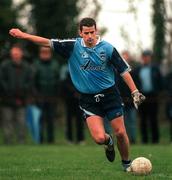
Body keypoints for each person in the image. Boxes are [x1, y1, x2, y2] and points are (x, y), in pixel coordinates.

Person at [9, 17, 145, 170]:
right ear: (80, 33)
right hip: (88, 99)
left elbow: (123, 71)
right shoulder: (72, 46)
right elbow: (46, 42)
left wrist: (135, 91)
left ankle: (126, 164)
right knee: (99, 138)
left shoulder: (107, 48)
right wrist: (23, 35)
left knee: (120, 132)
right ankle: (108, 142)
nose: (89, 36)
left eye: (92, 32)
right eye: (86, 33)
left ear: (96, 30)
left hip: (110, 95)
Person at [0, 44, 32, 144]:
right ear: (11, 54)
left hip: (22, 99)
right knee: (7, 122)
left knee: (21, 122)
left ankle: (21, 142)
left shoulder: (27, 67)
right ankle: (8, 141)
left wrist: (23, 92)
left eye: (17, 53)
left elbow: (30, 81)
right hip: (7, 98)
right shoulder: (4, 65)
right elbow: (2, 80)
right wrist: (8, 91)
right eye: (13, 53)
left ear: (21, 54)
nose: (15, 55)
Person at [134, 50, 163, 144]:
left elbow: (160, 82)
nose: (146, 58)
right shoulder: (138, 69)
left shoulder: (155, 69)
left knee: (153, 119)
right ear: (142, 58)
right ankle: (144, 140)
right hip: (141, 97)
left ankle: (155, 140)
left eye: (148, 56)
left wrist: (159, 93)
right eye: (144, 56)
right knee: (143, 119)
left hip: (153, 97)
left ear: (150, 58)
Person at [33, 46, 59, 144]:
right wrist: (36, 96)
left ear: (50, 53)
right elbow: (33, 81)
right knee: (40, 120)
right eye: (43, 52)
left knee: (51, 120)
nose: (45, 54)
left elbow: (58, 81)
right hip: (40, 98)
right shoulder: (36, 64)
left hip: (52, 98)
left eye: (47, 52)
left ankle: (51, 140)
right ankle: (40, 140)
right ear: (40, 53)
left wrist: (56, 96)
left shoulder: (55, 64)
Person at [60, 64, 85, 144]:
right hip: (69, 99)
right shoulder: (65, 70)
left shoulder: (80, 71)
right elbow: (63, 84)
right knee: (69, 120)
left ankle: (80, 139)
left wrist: (78, 93)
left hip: (78, 99)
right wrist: (72, 92)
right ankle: (69, 139)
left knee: (79, 120)